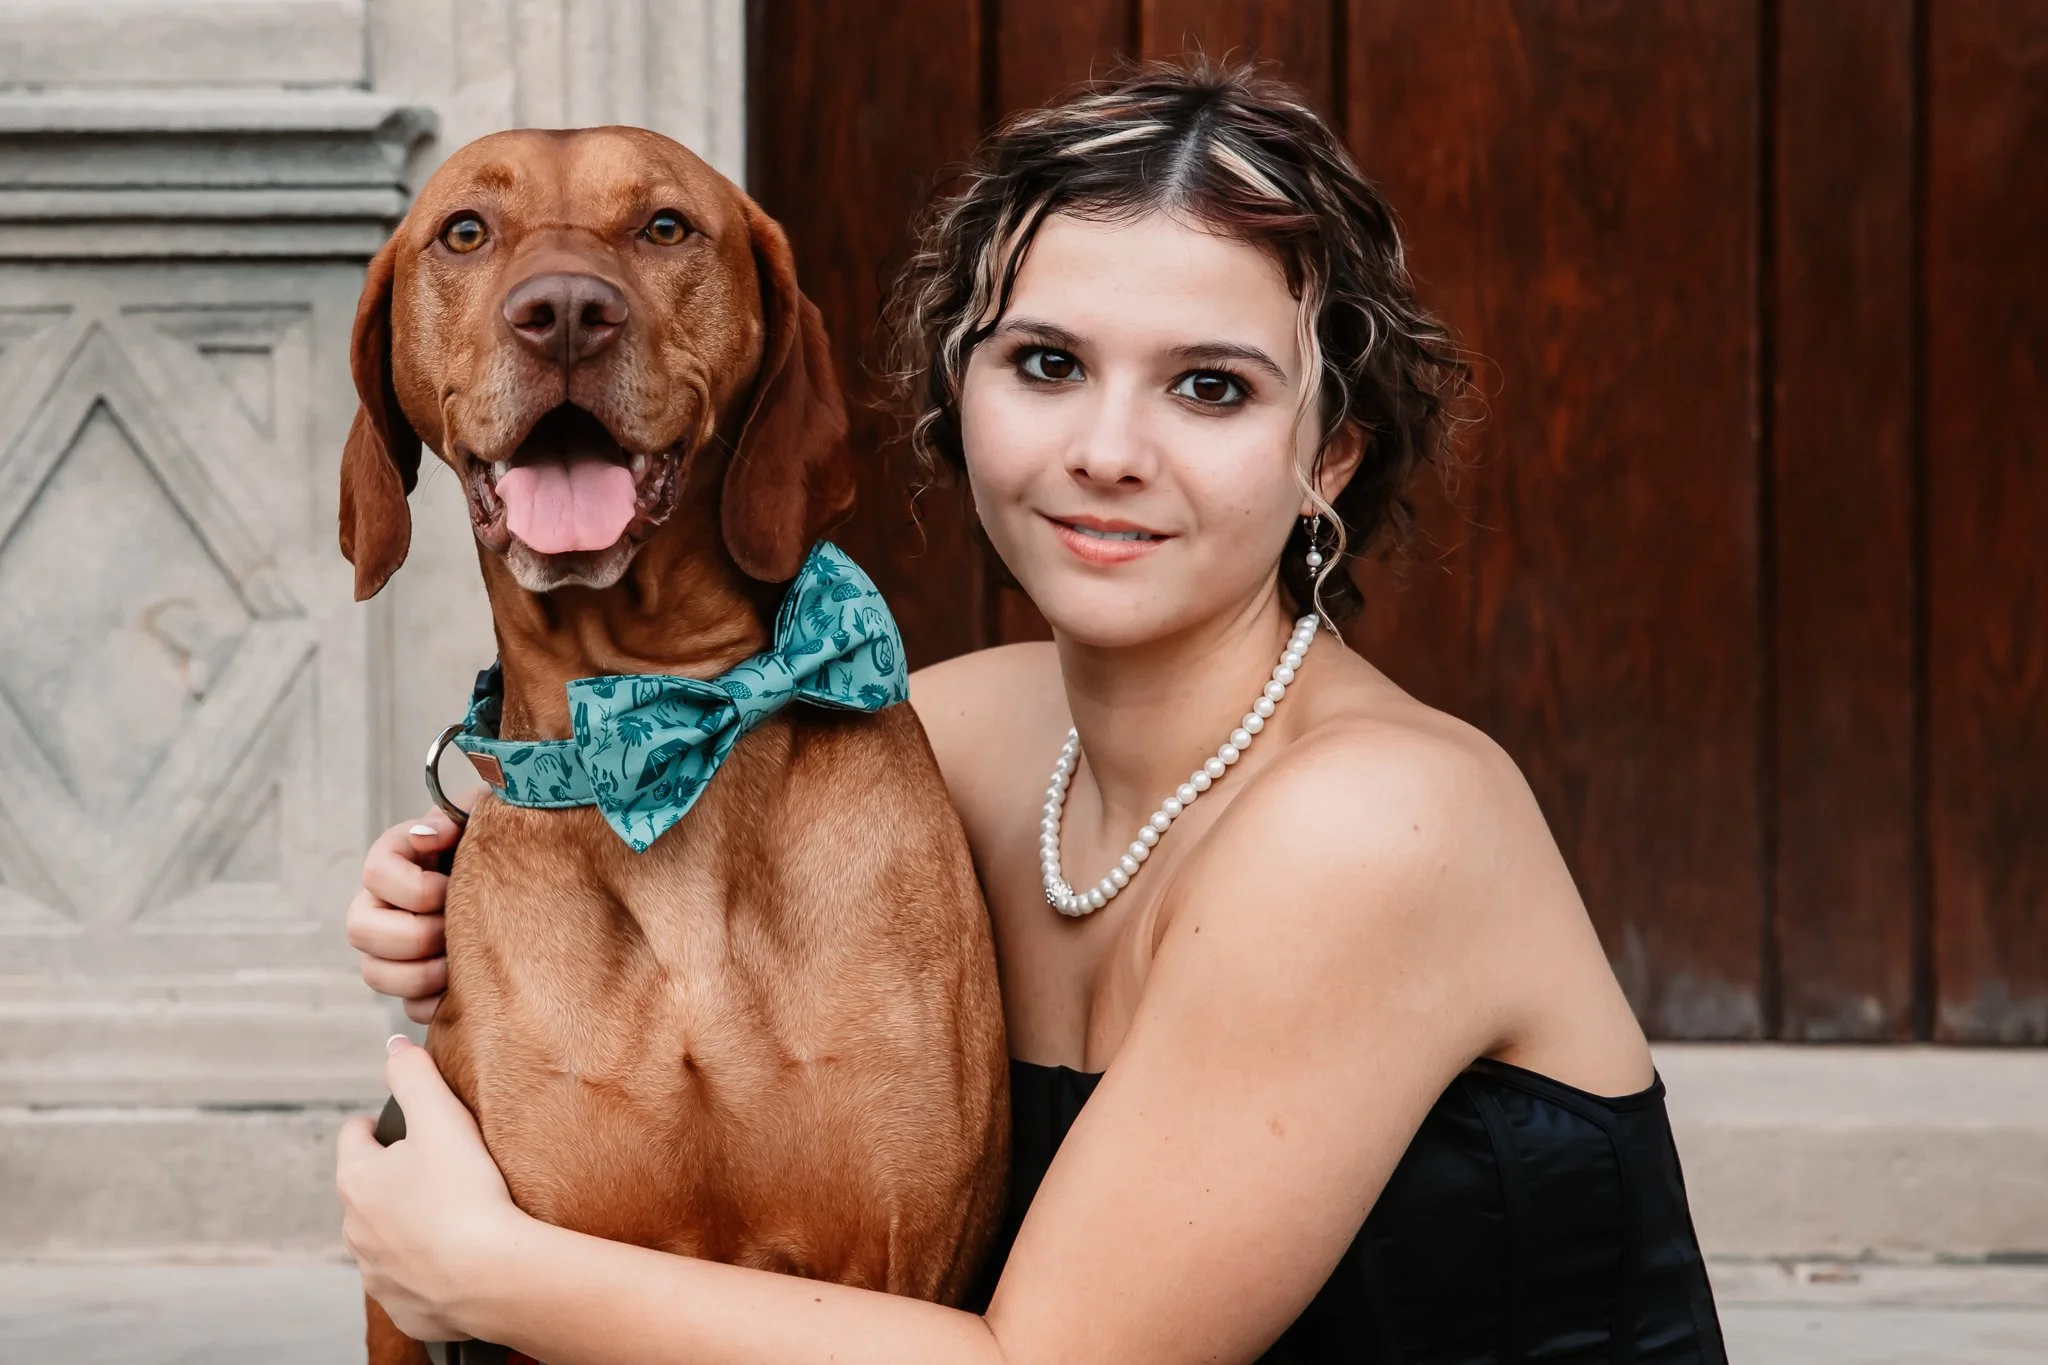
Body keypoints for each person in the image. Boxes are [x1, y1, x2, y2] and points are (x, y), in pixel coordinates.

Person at [336, 62, 1727, 1364]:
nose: (1107, 452)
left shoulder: (1380, 822)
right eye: (1048, 365)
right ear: (959, 393)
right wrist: (455, 860)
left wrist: (478, 1267)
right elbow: (657, 859)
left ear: (1332, 452)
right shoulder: (942, 738)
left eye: (1210, 387)